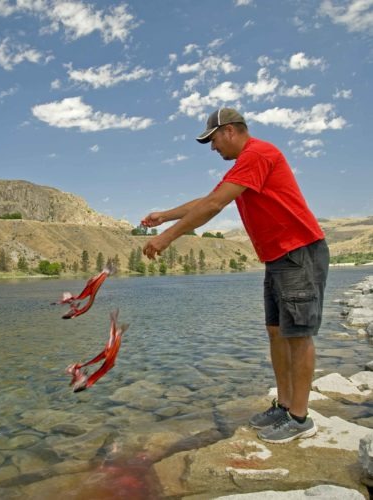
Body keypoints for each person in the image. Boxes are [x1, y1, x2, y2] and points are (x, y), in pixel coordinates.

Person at [141, 108, 329, 444]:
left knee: (298, 335)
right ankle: (284, 405)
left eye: (212, 139)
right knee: (276, 332)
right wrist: (164, 215)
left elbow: (213, 205)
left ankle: (300, 418)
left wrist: (167, 237)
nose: (212, 148)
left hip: (299, 252)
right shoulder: (246, 163)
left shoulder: (258, 153)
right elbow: (210, 199)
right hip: (277, 258)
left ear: (229, 131)